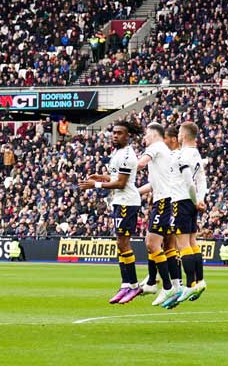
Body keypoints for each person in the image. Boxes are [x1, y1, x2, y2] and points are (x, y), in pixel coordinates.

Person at [79, 119, 144, 304]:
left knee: (124, 243)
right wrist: (100, 177)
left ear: (127, 135)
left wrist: (95, 184)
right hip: (119, 201)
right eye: (114, 133)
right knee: (120, 244)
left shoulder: (127, 155)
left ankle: (132, 285)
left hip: (127, 202)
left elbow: (122, 183)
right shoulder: (118, 152)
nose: (115, 136)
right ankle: (126, 284)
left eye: (119, 133)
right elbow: (115, 178)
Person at [163, 121, 208, 306]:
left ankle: (190, 284)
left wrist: (194, 199)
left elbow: (190, 182)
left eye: (180, 133)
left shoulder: (183, 155)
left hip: (181, 201)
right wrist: (200, 199)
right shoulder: (196, 154)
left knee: (183, 245)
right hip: (191, 202)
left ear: (184, 135)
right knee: (192, 242)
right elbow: (202, 180)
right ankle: (199, 281)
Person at [135, 122, 174, 304]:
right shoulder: (162, 152)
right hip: (163, 200)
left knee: (152, 243)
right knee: (154, 243)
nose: (144, 138)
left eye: (145, 135)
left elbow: (140, 164)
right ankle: (152, 281)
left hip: (165, 202)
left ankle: (167, 287)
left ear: (153, 134)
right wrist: (134, 192)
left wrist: (120, 174)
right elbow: (152, 184)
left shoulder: (156, 147)